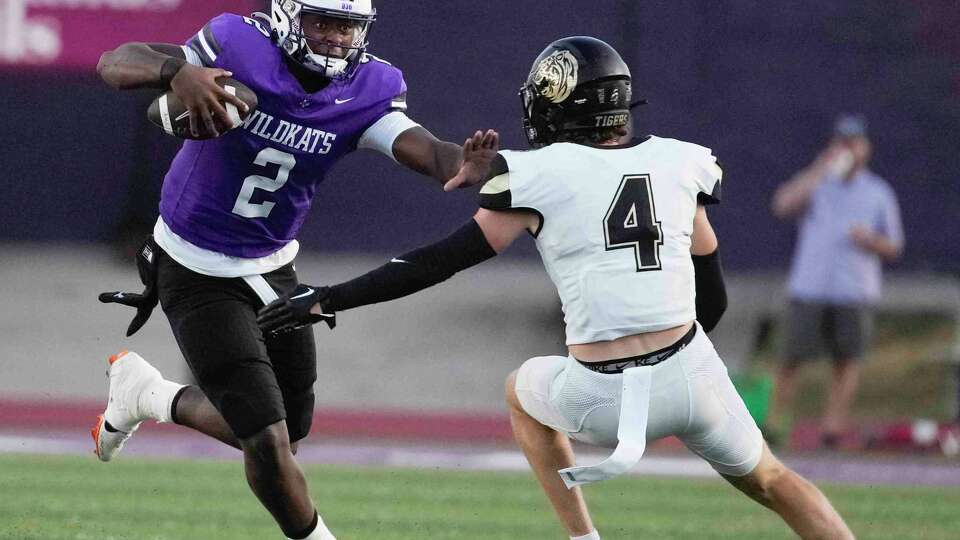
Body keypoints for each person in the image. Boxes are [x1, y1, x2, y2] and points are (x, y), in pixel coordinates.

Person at [258, 36, 855, 540]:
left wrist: (329, 297)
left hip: (602, 392)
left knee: (521, 391)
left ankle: (583, 536)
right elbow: (714, 297)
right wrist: (676, 372)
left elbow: (435, 263)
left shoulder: (535, 177)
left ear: (563, 105)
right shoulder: (681, 164)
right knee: (775, 481)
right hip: (692, 370)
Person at [92, 2, 499, 540]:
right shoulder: (238, 44)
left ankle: (149, 395)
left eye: (348, 26)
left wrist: (463, 164)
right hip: (195, 263)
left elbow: (429, 152)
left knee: (289, 430)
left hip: (274, 267)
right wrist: (178, 71)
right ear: (289, 16)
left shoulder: (367, 88)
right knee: (267, 439)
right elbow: (115, 62)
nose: (336, 37)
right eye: (323, 22)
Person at [767, 114, 904, 449]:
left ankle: (833, 429)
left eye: (853, 143)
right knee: (792, 359)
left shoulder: (878, 192)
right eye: (841, 143)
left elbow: (894, 245)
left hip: (853, 290)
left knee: (845, 361)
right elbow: (782, 206)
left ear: (865, 149)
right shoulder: (817, 183)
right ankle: (772, 426)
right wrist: (818, 171)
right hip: (810, 286)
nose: (847, 149)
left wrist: (870, 240)